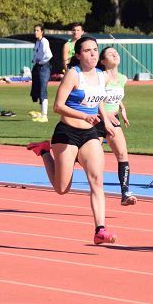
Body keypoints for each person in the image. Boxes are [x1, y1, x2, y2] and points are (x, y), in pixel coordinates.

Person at [26, 35, 117, 245]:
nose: (93, 54)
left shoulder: (102, 76)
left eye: (95, 50)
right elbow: (58, 106)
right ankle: (44, 151)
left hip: (90, 134)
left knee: (97, 181)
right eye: (87, 51)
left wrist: (107, 121)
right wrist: (84, 115)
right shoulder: (73, 75)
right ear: (78, 55)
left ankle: (99, 230)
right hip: (66, 133)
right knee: (62, 189)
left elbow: (99, 100)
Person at [97, 46, 136, 205]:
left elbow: (116, 95)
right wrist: (105, 116)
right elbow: (97, 98)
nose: (115, 54)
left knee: (122, 154)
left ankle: (125, 193)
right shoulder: (101, 76)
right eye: (110, 53)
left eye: (116, 52)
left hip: (113, 119)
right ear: (103, 61)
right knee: (90, 159)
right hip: (96, 119)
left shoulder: (122, 78)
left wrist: (123, 108)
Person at [29, 24, 52, 122]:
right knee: (37, 90)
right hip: (38, 67)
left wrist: (41, 62)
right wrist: (35, 61)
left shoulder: (44, 41)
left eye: (37, 30)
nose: (35, 32)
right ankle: (41, 113)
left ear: (42, 32)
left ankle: (44, 115)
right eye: (35, 30)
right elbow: (36, 54)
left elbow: (49, 55)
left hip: (44, 67)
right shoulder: (37, 42)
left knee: (43, 90)